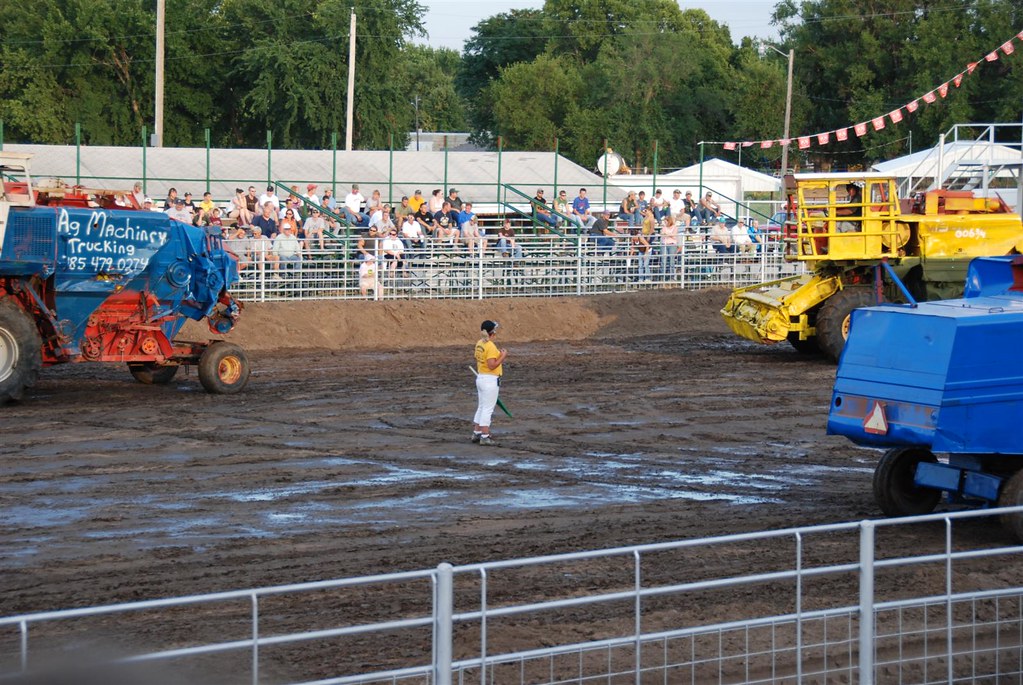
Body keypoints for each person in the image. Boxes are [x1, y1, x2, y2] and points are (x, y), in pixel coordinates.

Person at [472, 320, 507, 446]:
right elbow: (492, 365)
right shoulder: (490, 346)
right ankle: (485, 436)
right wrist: (503, 356)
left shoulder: (479, 343)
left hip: (481, 378)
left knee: (481, 407)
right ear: (492, 333)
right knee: (487, 409)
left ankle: (476, 433)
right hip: (489, 380)